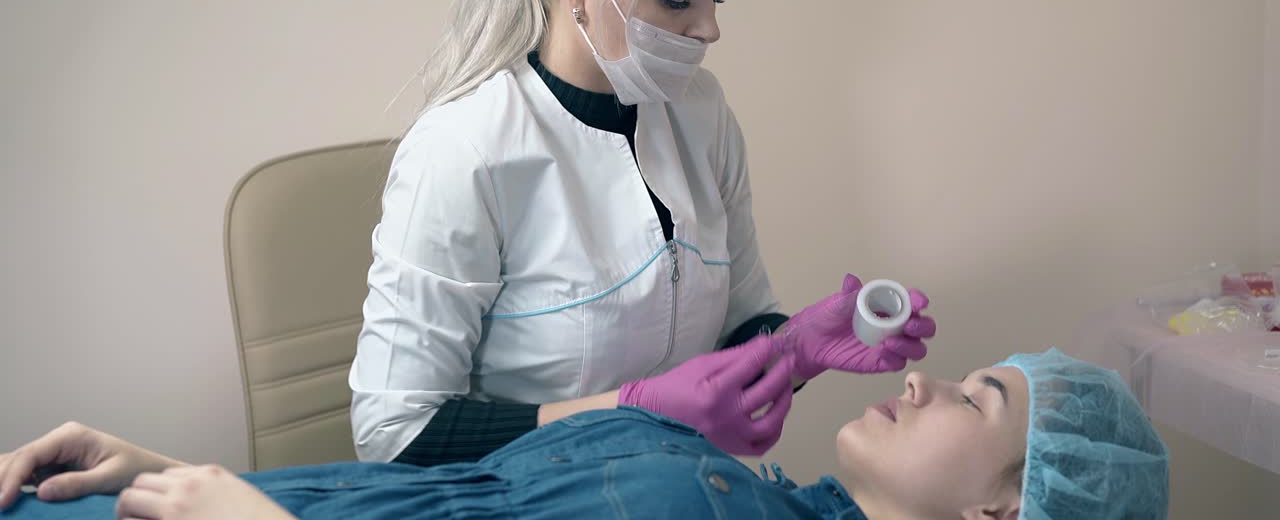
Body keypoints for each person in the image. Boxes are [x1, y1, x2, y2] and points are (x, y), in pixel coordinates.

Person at [348, 0, 936, 467]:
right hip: (520, 500)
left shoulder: (701, 114)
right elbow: (394, 434)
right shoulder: (466, 150)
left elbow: (737, 329)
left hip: (672, 485)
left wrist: (792, 349)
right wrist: (628, 412)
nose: (709, 27)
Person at [0, 348, 1170, 519]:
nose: (917, 380)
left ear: (1003, 508)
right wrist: (167, 474)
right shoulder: (747, 488)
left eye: (971, 401)